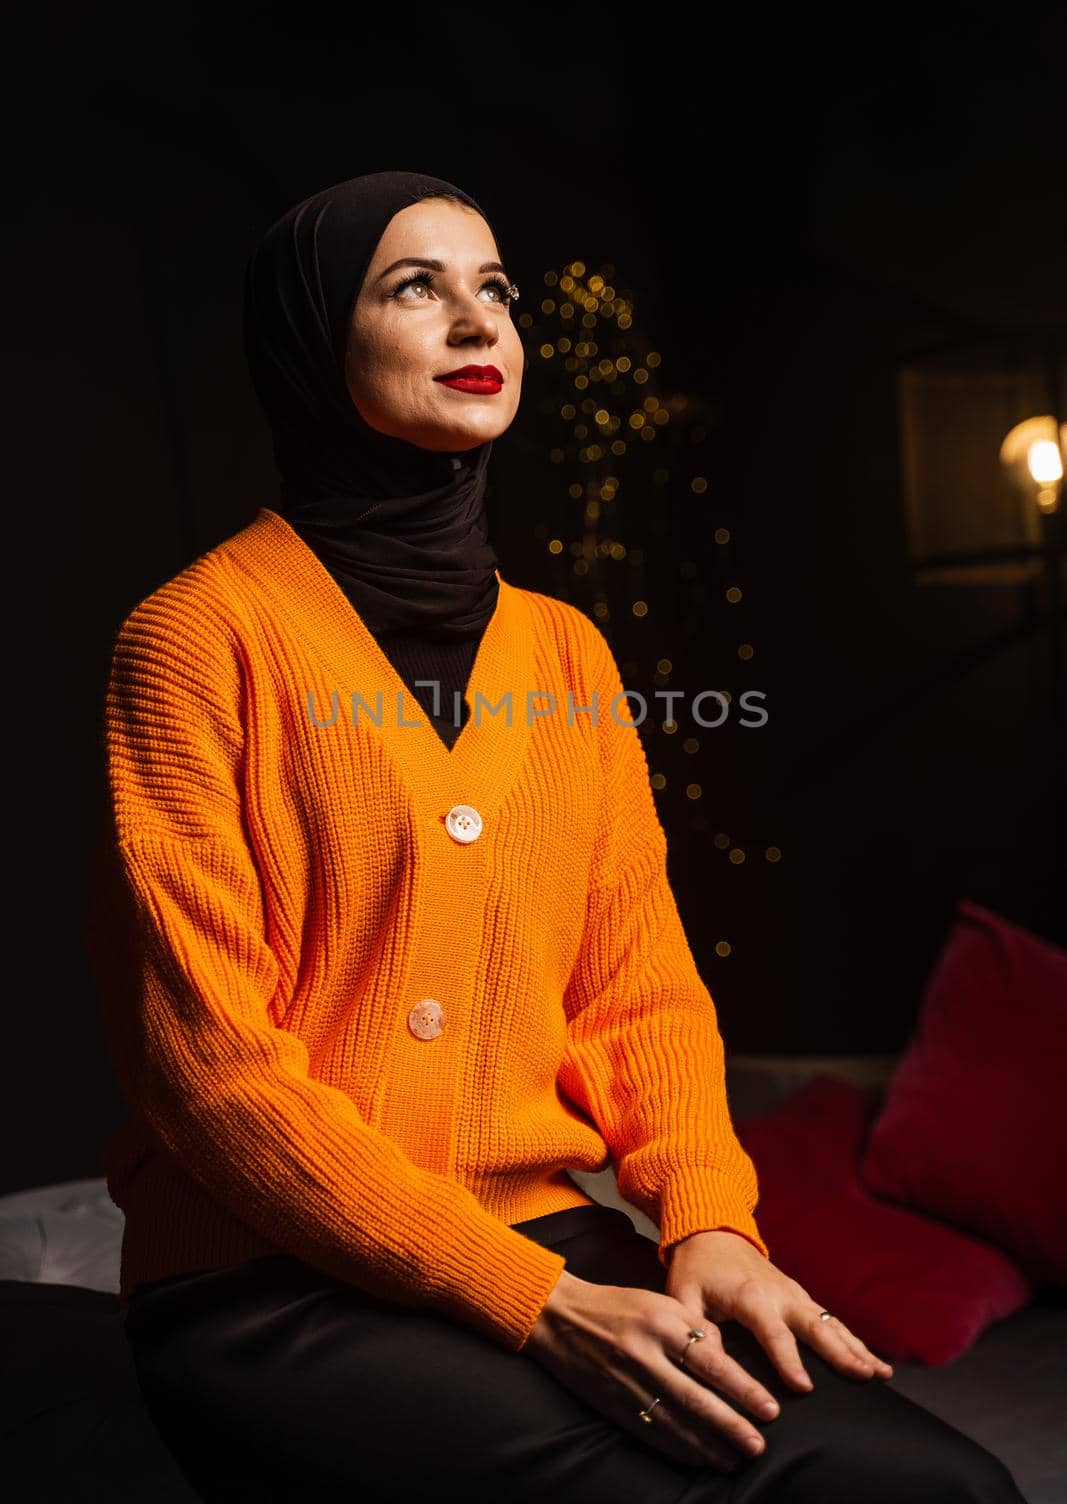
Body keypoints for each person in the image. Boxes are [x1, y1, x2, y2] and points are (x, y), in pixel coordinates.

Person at [89, 170, 1026, 1503]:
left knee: (941, 1489)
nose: (479, 324)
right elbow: (211, 1076)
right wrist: (537, 1301)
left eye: (496, 292)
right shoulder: (194, 639)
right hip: (272, 1285)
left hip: (551, 1238)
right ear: (311, 339)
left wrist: (710, 1220)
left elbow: (636, 984)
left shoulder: (565, 652)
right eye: (417, 287)